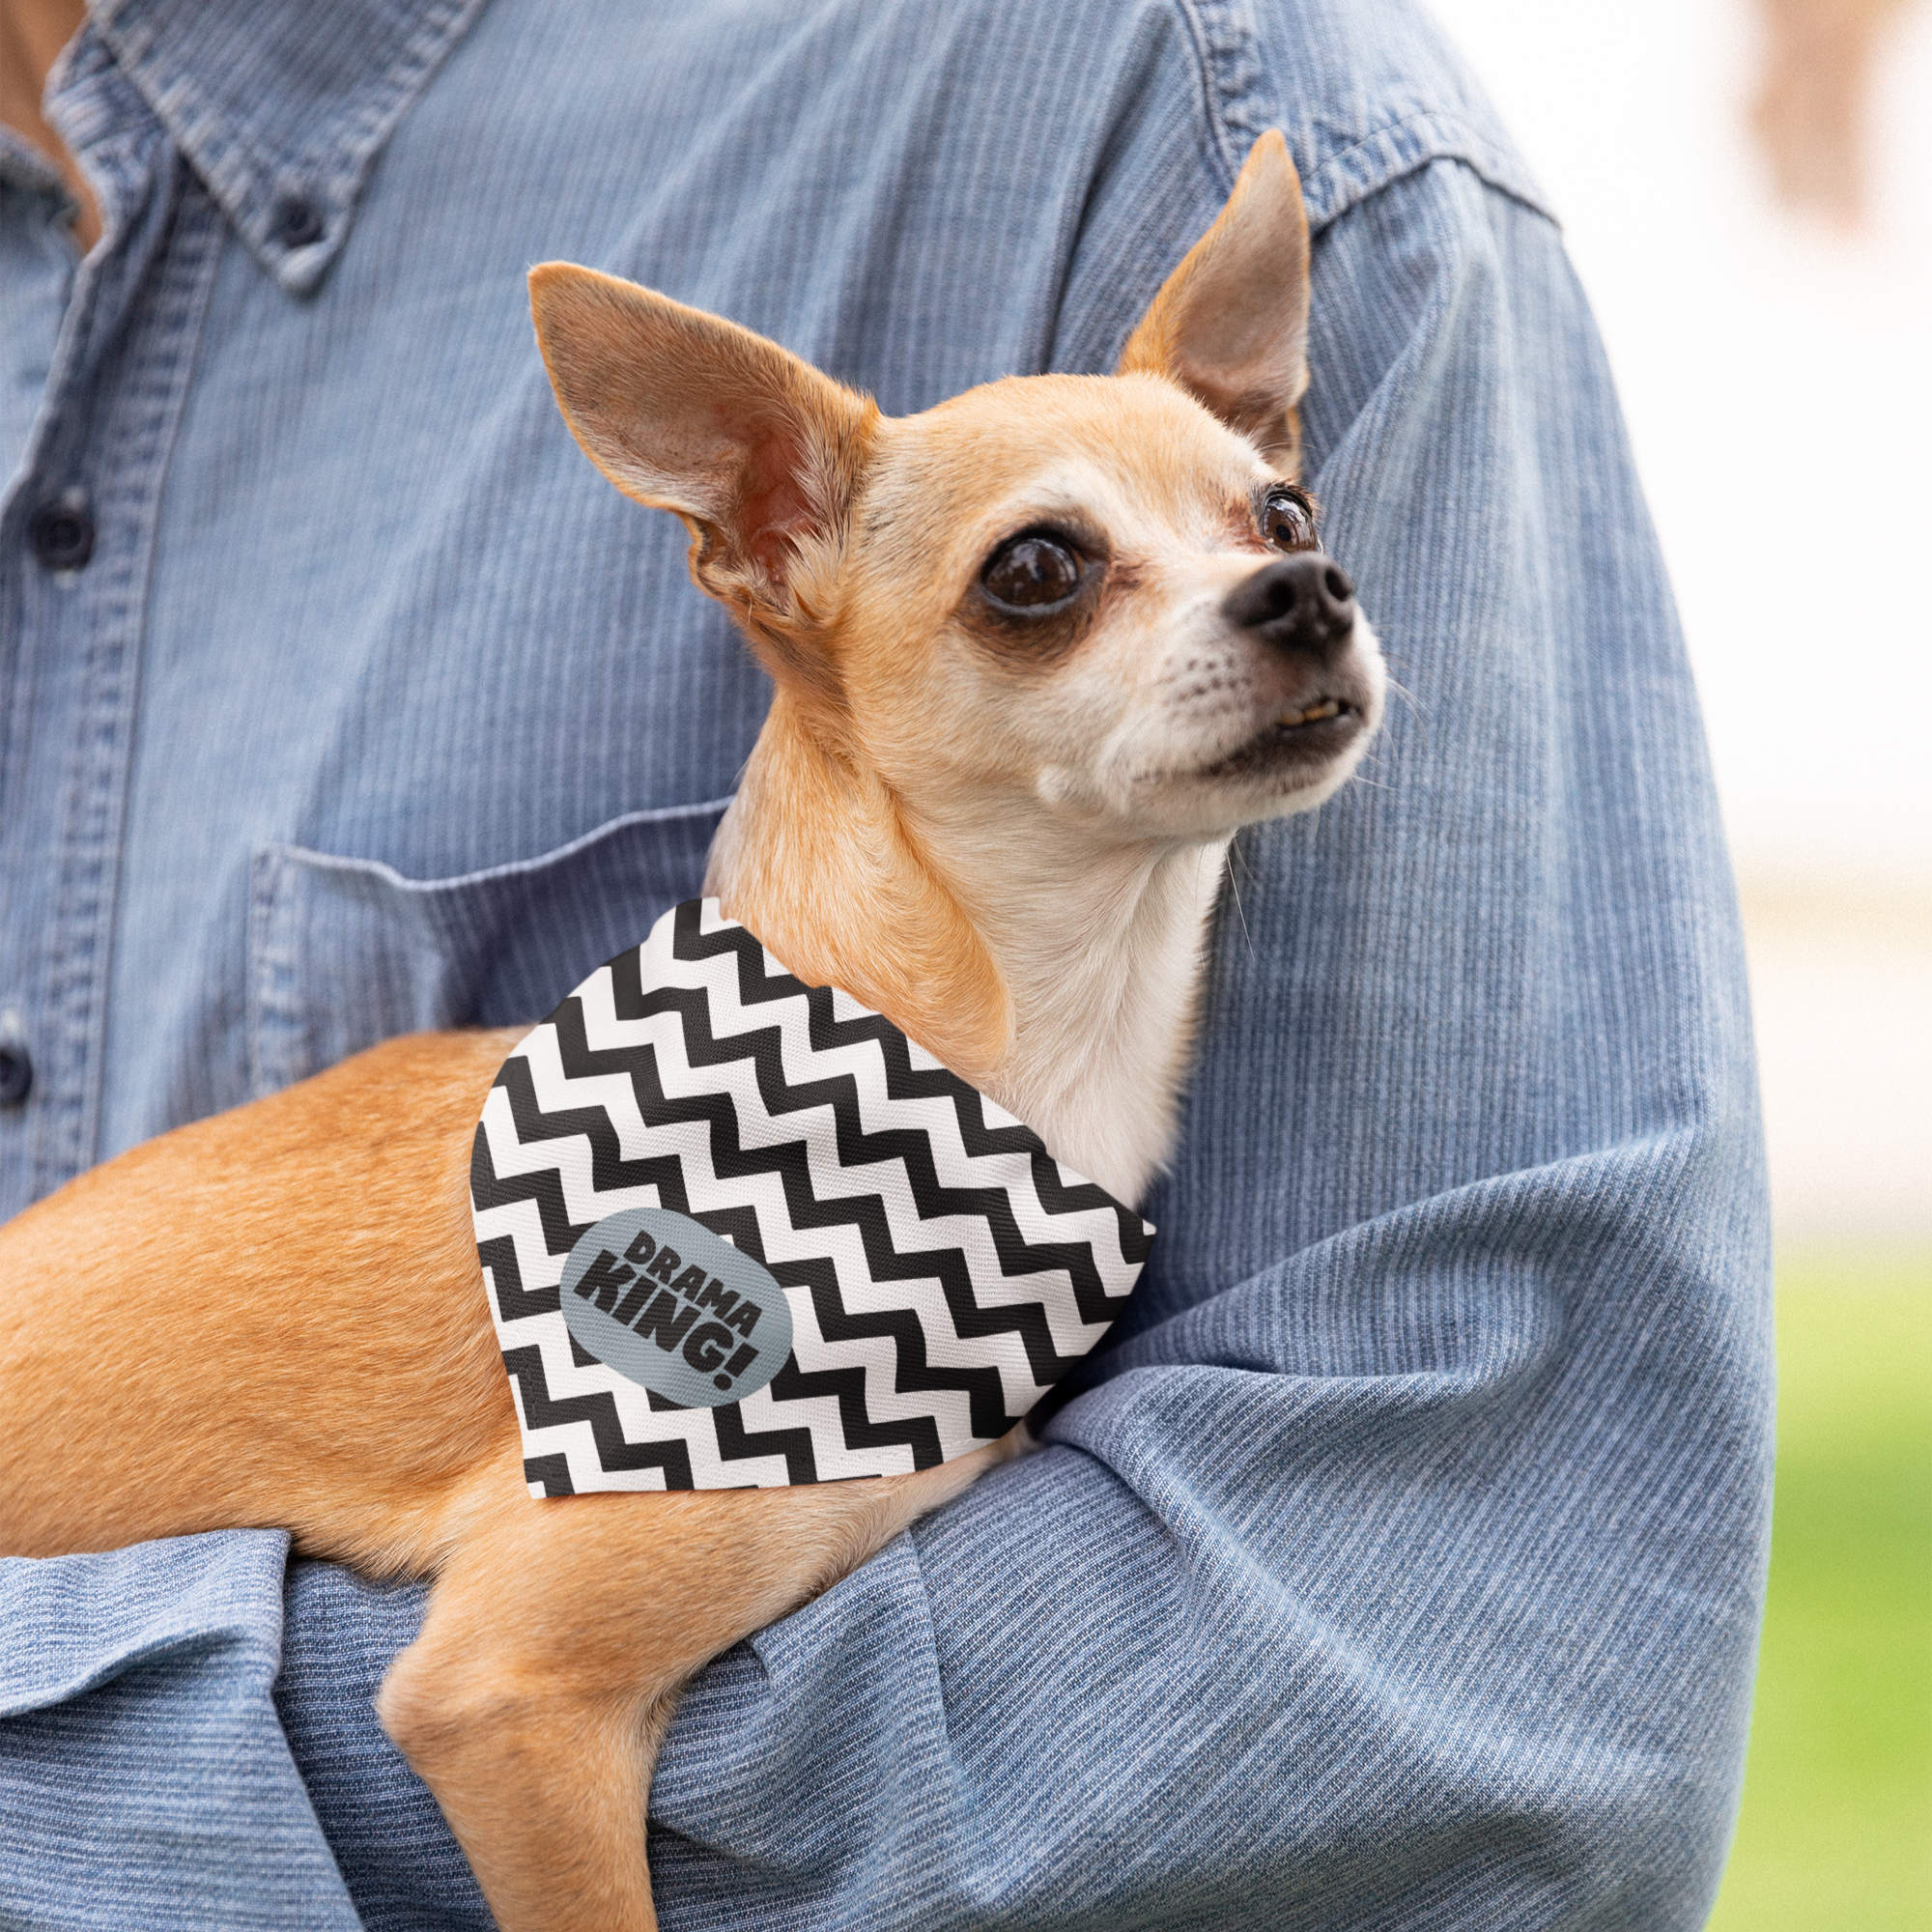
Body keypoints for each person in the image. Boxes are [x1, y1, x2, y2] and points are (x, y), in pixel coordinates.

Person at [0, 0, 1773, 1925]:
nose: (1274, 590)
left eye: (1268, 516)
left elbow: (1477, 1719)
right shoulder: (772, 1254)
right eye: (1045, 579)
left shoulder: (1225, 85)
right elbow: (502, 1702)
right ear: (768, 540)